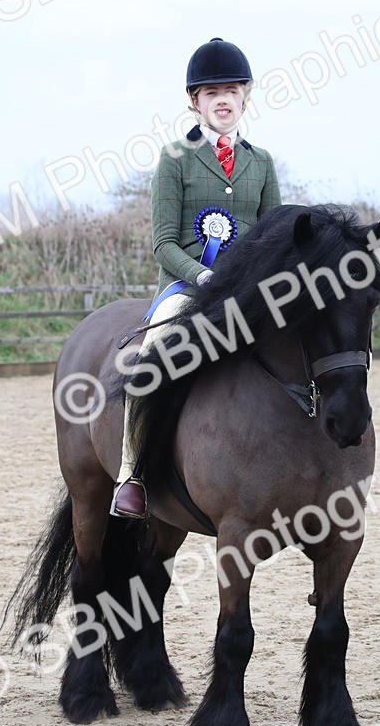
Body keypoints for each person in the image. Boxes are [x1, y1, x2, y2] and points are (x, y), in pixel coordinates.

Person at [111, 37, 282, 517]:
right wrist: (204, 279)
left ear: (245, 97)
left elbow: (272, 234)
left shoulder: (261, 162)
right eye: (211, 93)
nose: (222, 99)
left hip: (248, 290)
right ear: (194, 101)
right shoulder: (174, 160)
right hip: (187, 287)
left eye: (231, 90)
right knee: (149, 355)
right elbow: (163, 242)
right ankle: (133, 475)